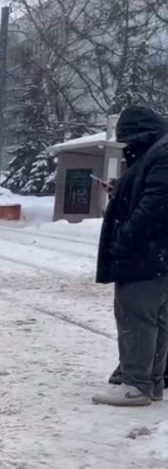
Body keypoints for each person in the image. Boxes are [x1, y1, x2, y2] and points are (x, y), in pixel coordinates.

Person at [93, 105, 168, 407]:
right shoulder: (158, 151)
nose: (127, 148)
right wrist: (122, 188)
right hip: (157, 254)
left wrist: (126, 238)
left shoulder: (161, 154)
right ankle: (152, 381)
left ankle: (135, 382)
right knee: (157, 318)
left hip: (147, 253)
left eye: (128, 141)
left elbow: (157, 203)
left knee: (135, 315)